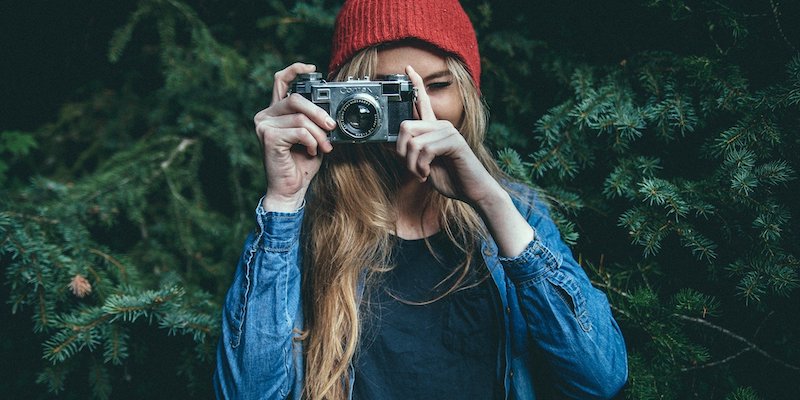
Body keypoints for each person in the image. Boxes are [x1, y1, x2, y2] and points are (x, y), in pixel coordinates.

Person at [214, 0, 628, 398]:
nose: (417, 109)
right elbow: (247, 393)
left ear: (467, 93)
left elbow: (599, 379)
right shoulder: (300, 226)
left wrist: (490, 200)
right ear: (340, 102)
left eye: (437, 85)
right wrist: (283, 201)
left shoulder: (515, 214)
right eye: (385, 90)